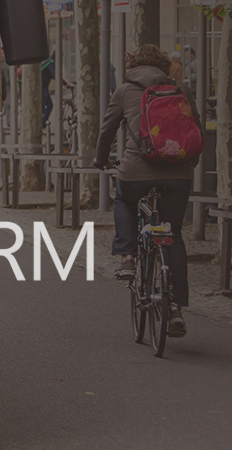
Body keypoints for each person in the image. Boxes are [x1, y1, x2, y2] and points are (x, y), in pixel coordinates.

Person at [97, 45, 204, 338]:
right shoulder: (180, 89)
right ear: (163, 66)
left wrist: (99, 160)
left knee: (124, 199)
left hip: (136, 172)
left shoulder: (124, 91)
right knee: (174, 235)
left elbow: (106, 132)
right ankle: (176, 309)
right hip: (179, 173)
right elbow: (196, 129)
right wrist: (188, 163)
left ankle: (127, 257)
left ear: (132, 66)